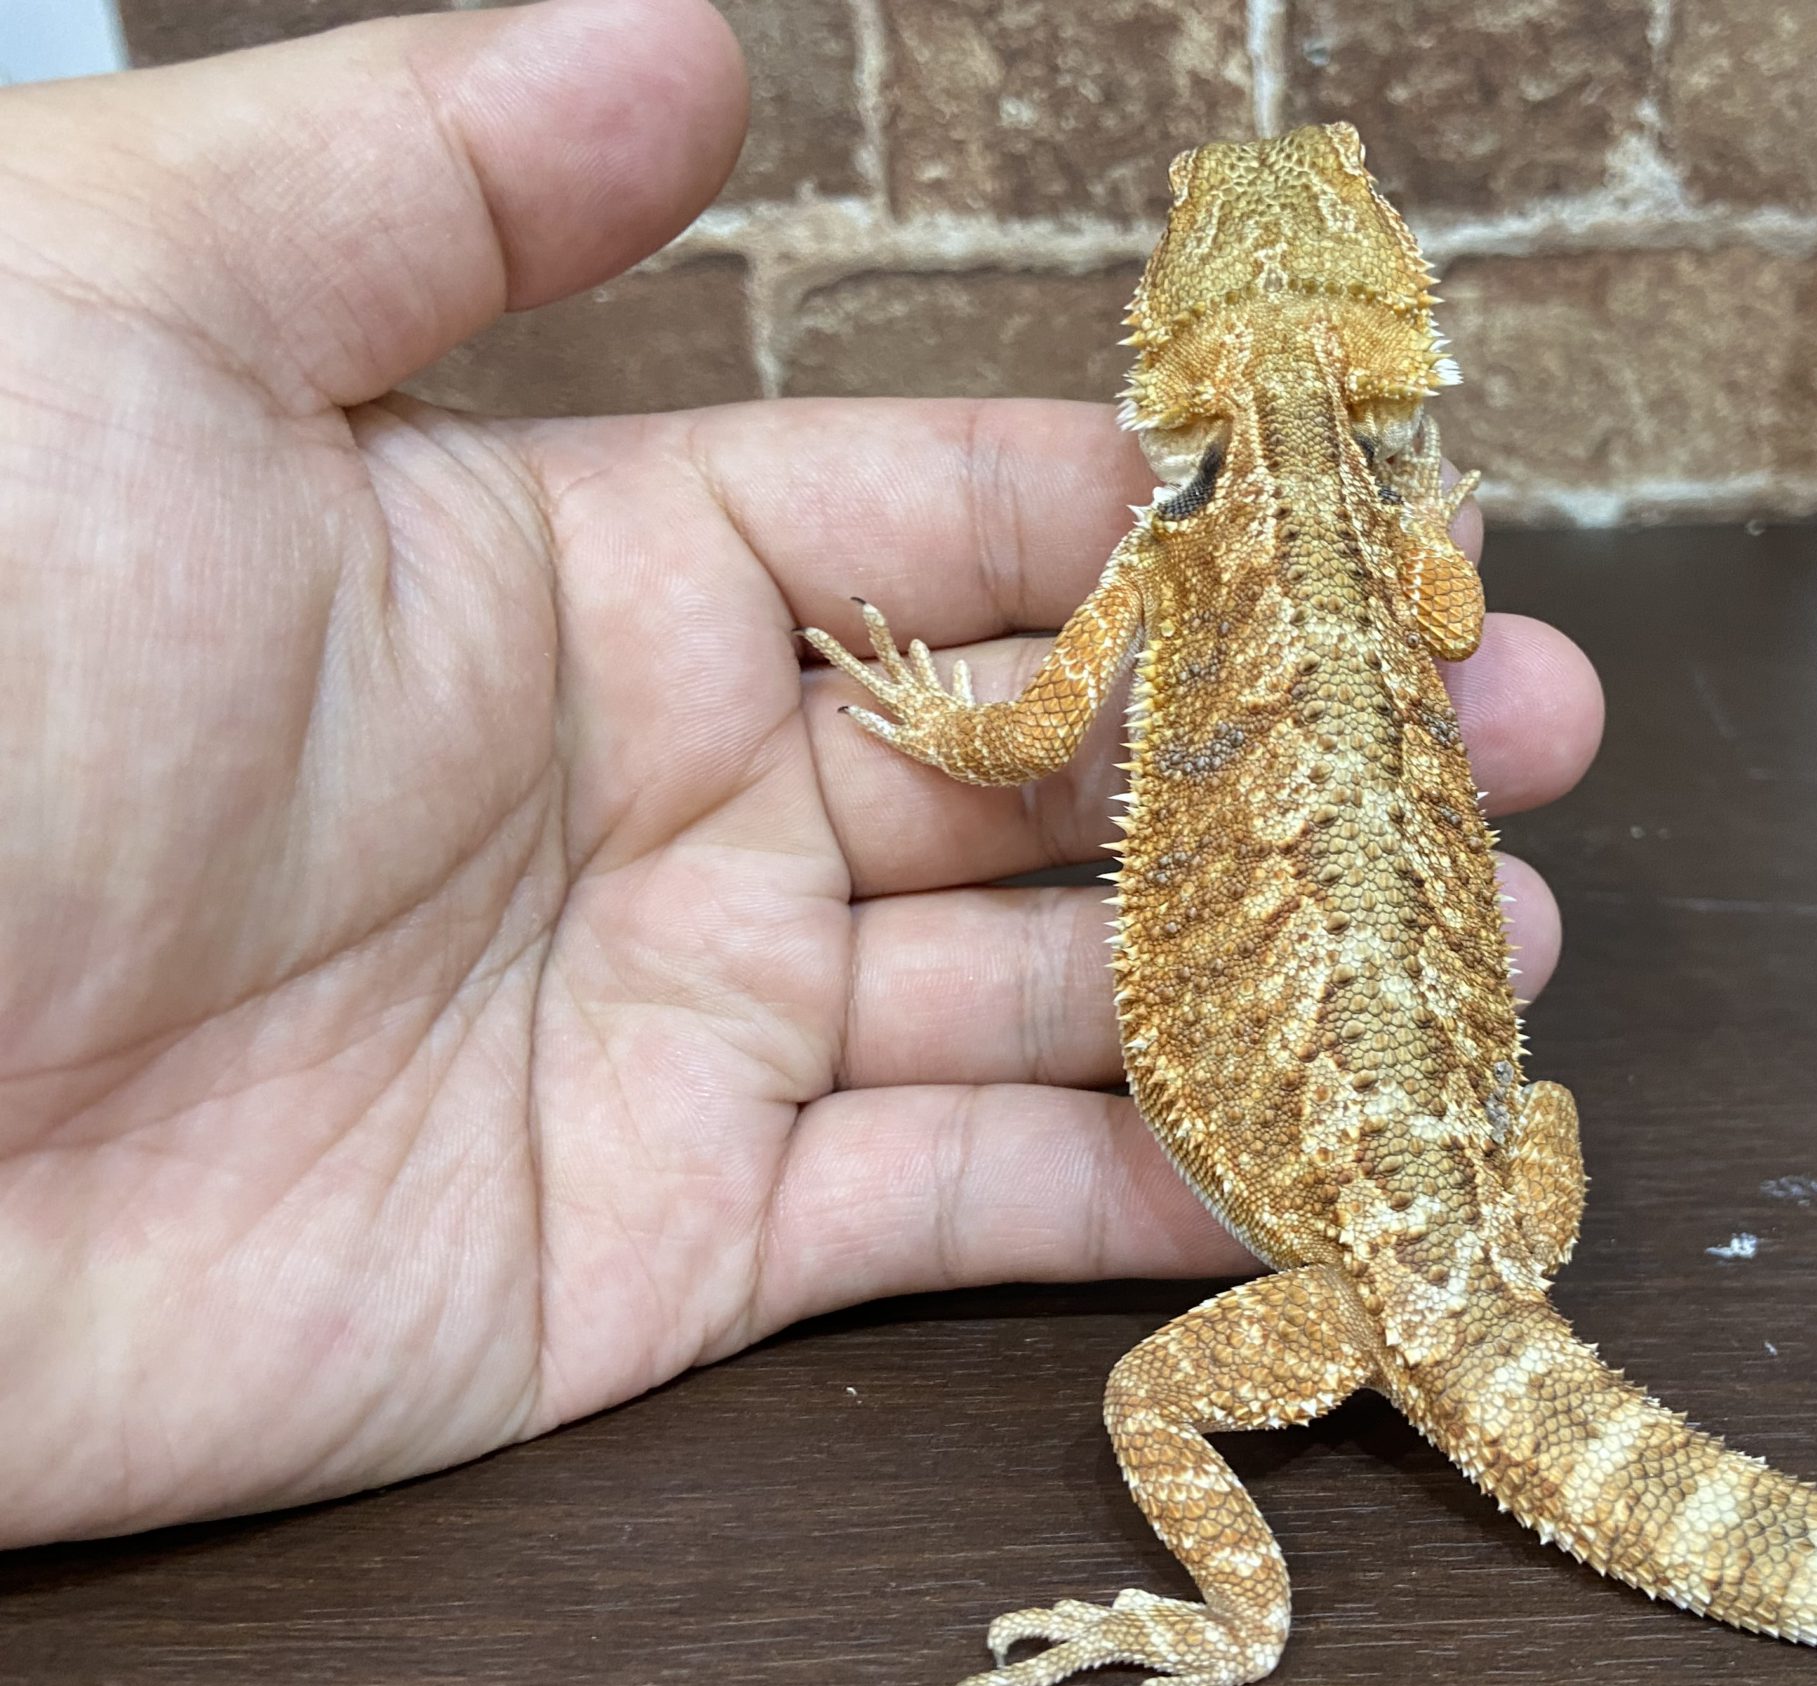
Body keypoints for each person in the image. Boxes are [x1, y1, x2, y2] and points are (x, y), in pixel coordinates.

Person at [0, 0, 1604, 1548]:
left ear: (1169, 336)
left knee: (1150, 1408)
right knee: (1530, 1110)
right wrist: (1417, 513)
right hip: (1485, 1228)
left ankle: (1233, 1625)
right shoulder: (1395, 565)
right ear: (1396, 309)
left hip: (1358, 1285)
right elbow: (1455, 611)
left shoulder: (1176, 550)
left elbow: (1036, 739)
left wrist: (926, 717)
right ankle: (1487, 1334)